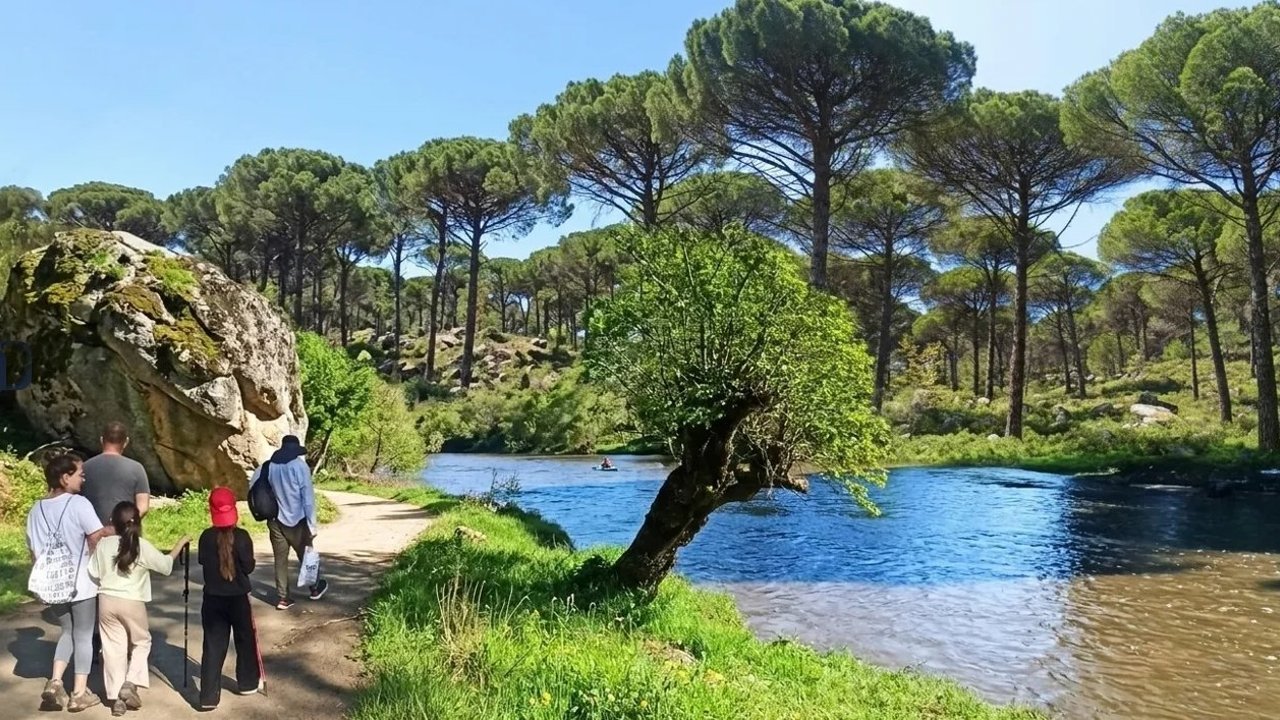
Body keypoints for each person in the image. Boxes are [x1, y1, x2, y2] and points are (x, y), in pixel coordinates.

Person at [26, 453, 109, 713]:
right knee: (83, 634)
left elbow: (33, 551)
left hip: (52, 583)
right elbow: (96, 536)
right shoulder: (79, 504)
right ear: (65, 477)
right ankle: (79, 693)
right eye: (79, 474)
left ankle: (55, 681)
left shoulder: (35, 510)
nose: (83, 479)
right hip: (80, 581)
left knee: (66, 631)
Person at [88, 501, 188, 717]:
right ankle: (131, 682)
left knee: (113, 648)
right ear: (137, 522)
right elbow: (165, 566)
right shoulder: (140, 545)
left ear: (112, 521)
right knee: (142, 642)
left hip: (106, 600)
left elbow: (94, 572)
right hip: (132, 601)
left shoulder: (104, 544)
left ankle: (116, 698)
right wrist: (179, 545)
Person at [197, 487, 264, 710]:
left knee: (213, 646)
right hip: (238, 598)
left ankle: (208, 697)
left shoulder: (206, 537)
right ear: (234, 510)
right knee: (245, 640)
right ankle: (247, 683)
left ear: (212, 511)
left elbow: (203, 562)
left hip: (213, 599)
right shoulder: (242, 537)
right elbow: (249, 567)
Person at [248, 435, 326, 610]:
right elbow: (307, 499)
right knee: (307, 555)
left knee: (280, 560)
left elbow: (253, 486)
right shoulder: (299, 466)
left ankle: (283, 598)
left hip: (275, 521)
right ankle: (314, 588)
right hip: (297, 521)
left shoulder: (268, 466)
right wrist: (312, 524)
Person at [82, 421, 150, 525]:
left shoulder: (84, 467)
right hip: (124, 531)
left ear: (101, 440)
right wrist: (124, 524)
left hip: (90, 530)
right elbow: (143, 507)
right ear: (126, 442)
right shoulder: (137, 468)